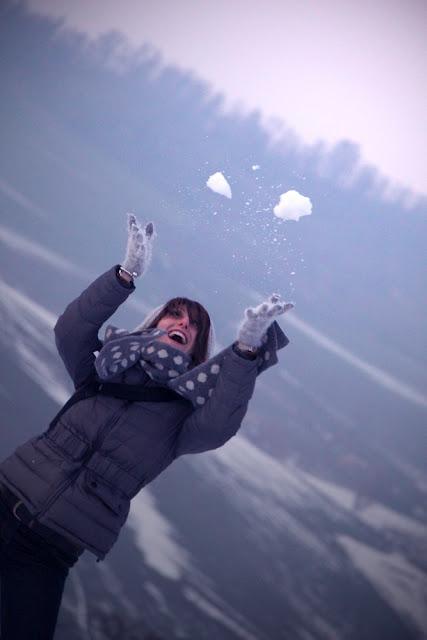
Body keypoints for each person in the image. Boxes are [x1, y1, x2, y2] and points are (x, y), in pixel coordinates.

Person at [0, 214, 293, 639]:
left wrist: (247, 349)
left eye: (193, 327)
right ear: (153, 324)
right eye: (173, 315)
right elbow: (70, 329)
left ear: (198, 351)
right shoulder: (102, 369)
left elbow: (220, 426)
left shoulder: (183, 417)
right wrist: (124, 276)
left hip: (49, 550)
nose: (182, 324)